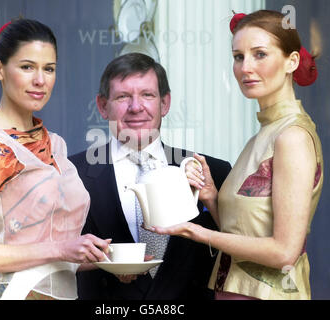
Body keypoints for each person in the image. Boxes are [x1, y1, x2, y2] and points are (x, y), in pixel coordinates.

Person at [148, 10, 324, 300]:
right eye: (238, 56)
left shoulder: (291, 137)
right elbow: (247, 234)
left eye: (260, 54)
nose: (245, 67)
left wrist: (197, 232)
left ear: (291, 61)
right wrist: (211, 197)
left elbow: (284, 252)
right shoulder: (263, 134)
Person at [0, 18, 111, 300]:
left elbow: (50, 256)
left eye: (49, 69)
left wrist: (101, 259)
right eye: (27, 67)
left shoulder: (55, 145)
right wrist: (62, 248)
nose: (40, 80)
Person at [68, 52, 232, 300]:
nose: (136, 107)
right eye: (123, 96)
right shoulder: (71, 173)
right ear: (102, 106)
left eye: (147, 95)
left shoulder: (213, 173)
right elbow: (54, 258)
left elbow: (239, 250)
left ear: (164, 103)